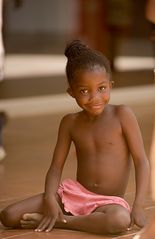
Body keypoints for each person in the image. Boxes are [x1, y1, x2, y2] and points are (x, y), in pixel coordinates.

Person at [0, 40, 150, 235]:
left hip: (107, 203)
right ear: (71, 92)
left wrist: (137, 205)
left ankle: (63, 222)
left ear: (111, 86)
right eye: (84, 91)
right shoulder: (70, 122)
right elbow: (55, 168)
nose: (95, 97)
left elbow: (141, 162)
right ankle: (62, 216)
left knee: (120, 220)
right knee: (9, 216)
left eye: (101, 88)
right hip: (72, 195)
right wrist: (50, 200)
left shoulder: (122, 115)